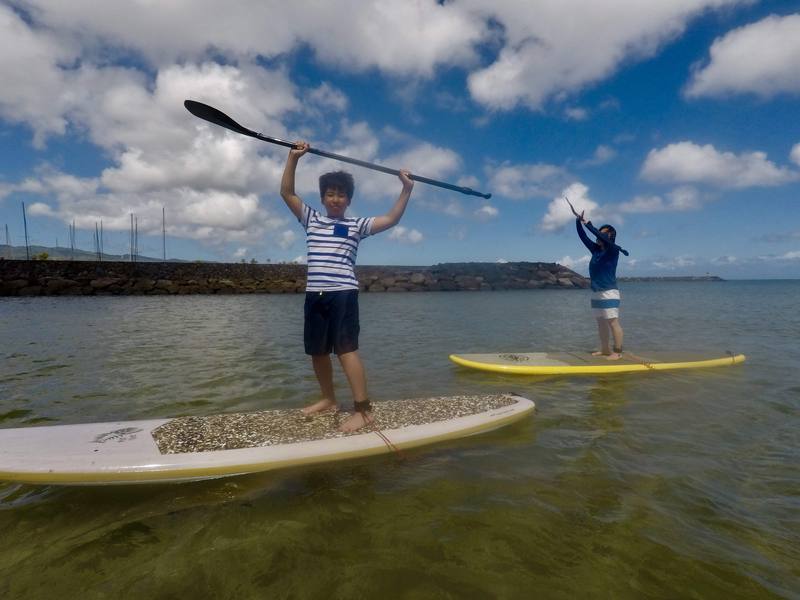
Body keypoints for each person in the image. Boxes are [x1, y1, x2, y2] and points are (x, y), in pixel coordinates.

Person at [280, 141, 414, 432]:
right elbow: (287, 193)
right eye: (331, 193)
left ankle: (363, 410)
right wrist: (293, 158)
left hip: (343, 293)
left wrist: (406, 189)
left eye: (341, 194)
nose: (336, 199)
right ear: (323, 197)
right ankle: (328, 399)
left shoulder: (356, 226)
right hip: (314, 294)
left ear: (349, 200)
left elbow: (391, 219)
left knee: (345, 350)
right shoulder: (311, 219)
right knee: (317, 351)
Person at [567, 198, 629, 360]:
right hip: (596, 292)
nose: (599, 235)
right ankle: (605, 349)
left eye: (603, 232)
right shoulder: (596, 250)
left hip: (609, 292)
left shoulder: (613, 250)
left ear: (610, 236)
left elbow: (596, 234)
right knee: (601, 323)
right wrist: (578, 221)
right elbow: (583, 237)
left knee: (613, 322)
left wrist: (588, 223)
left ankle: (618, 352)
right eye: (600, 231)